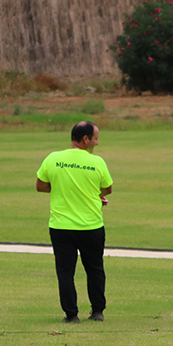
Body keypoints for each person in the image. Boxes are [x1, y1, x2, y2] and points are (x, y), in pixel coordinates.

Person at [36, 121, 114, 323]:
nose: (97, 143)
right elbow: (107, 189)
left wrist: (63, 190)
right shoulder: (97, 162)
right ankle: (97, 311)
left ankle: (71, 315)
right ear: (85, 139)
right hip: (91, 226)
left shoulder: (53, 158)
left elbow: (41, 186)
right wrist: (94, 196)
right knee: (95, 269)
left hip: (61, 227)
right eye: (95, 138)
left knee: (65, 272)